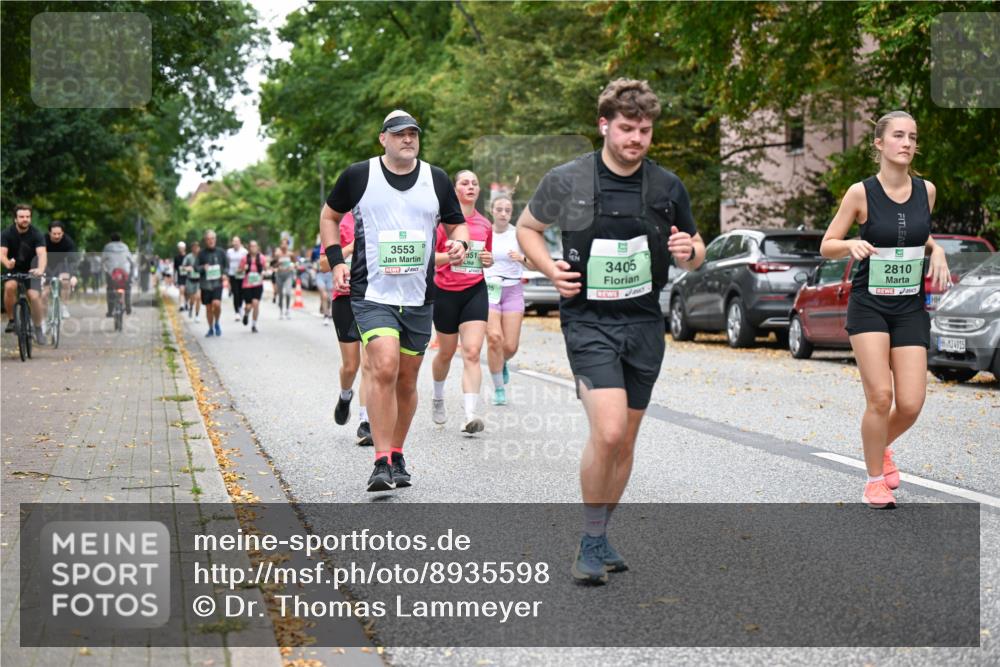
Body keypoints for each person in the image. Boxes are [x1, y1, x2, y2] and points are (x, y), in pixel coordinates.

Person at [517, 79, 705, 584]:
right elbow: (527, 228)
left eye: (644, 130)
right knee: (610, 430)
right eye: (626, 128)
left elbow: (696, 247)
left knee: (625, 442)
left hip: (644, 323)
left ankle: (598, 537)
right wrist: (550, 270)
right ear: (604, 125)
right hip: (589, 322)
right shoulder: (567, 179)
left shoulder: (667, 187)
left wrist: (690, 252)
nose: (636, 138)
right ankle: (591, 537)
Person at [319, 109, 469, 492]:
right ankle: (381, 461)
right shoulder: (359, 175)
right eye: (399, 133)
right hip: (372, 293)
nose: (407, 139)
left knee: (406, 380)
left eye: (413, 133)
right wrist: (337, 261)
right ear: (383, 138)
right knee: (384, 366)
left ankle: (398, 454)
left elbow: (458, 224)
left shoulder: (436, 179)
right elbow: (329, 216)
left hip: (419, 295)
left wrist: (461, 243)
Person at [820, 110, 950, 510]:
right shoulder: (860, 193)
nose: (907, 143)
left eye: (912, 136)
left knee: (910, 404)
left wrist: (937, 249)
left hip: (909, 306)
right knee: (880, 396)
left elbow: (917, 232)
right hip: (870, 305)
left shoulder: (926, 191)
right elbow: (827, 244)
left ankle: (881, 445)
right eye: (898, 135)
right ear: (879, 143)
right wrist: (850, 245)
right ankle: (874, 481)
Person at [430, 170, 495, 433]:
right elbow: (428, 259)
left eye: (475, 183)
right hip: (445, 292)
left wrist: (488, 259)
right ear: (455, 189)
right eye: (465, 183)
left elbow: (486, 257)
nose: (470, 187)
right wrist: (451, 257)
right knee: (446, 353)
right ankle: (437, 397)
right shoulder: (443, 224)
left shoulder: (485, 225)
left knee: (472, 352)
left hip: (474, 291)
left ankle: (470, 415)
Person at [324, 211, 372, 445]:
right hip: (345, 300)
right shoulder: (339, 222)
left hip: (373, 299)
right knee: (351, 365)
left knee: (370, 364)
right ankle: (345, 396)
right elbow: (323, 264)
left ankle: (366, 422)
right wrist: (350, 248)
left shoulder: (380, 216)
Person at [484, 194, 534, 406]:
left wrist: (521, 258)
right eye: (499, 209)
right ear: (492, 211)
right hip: (489, 289)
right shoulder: (485, 233)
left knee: (510, 346)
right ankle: (498, 389)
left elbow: (534, 263)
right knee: (494, 338)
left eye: (507, 210)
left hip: (513, 290)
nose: (503, 214)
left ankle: (502, 361)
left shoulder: (519, 235)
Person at [1, 204, 47, 342]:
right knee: (10, 287)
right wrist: (7, 263)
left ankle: (38, 328)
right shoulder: (6, 233)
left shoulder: (36, 234)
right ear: (15, 219)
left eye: (27, 216)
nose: (25, 219)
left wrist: (40, 269)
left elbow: (42, 254)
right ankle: (12, 320)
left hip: (32, 269)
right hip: (13, 268)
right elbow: (2, 253)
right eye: (21, 217)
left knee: (34, 297)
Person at [44, 221, 79, 320]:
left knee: (66, 282)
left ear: (63, 233)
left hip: (61, 264)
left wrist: (73, 275)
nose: (57, 236)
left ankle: (64, 307)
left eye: (59, 234)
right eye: (54, 234)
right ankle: (44, 309)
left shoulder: (68, 242)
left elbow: (72, 260)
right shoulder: (43, 240)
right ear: (49, 233)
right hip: (46, 264)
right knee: (45, 289)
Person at [197, 230, 228, 337]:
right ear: (205, 240)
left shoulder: (221, 252)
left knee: (217, 304)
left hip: (217, 283)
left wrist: (224, 274)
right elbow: (196, 267)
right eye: (208, 239)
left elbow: (226, 266)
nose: (211, 241)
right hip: (205, 285)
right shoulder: (201, 253)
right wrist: (203, 268)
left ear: (215, 239)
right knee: (209, 308)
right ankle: (210, 328)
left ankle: (217, 322)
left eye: (213, 238)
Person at [101, 232, 133, 318]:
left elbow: (102, 260)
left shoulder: (107, 247)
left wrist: (105, 269)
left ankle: (110, 311)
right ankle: (128, 307)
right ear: (120, 239)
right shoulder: (125, 246)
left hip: (112, 273)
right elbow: (131, 260)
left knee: (110, 289)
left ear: (110, 239)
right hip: (124, 272)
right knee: (127, 288)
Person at [239, 240, 267, 333]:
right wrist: (243, 269)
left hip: (258, 284)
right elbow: (239, 270)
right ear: (249, 248)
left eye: (255, 246)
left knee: (256, 303)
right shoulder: (244, 259)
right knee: (248, 306)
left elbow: (266, 268)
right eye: (251, 246)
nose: (253, 248)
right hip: (247, 285)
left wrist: (264, 272)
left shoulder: (262, 258)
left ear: (257, 247)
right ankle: (246, 314)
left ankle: (254, 325)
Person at [272, 238, 295, 319]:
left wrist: (293, 266)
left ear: (287, 245)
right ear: (280, 245)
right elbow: (273, 265)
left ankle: (287, 310)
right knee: (280, 294)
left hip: (288, 275)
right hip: (279, 275)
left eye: (285, 244)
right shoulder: (277, 254)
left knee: (288, 292)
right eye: (282, 244)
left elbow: (295, 263)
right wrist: (278, 264)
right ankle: (281, 311)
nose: (283, 246)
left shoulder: (290, 254)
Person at [313, 234, 334, 325]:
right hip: (320, 275)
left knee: (330, 296)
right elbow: (313, 262)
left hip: (330, 275)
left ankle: (326, 309)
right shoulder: (315, 250)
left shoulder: (333, 247)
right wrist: (315, 267)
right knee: (324, 295)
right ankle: (326, 315)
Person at [227, 235, 248, 322]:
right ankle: (237, 312)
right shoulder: (229, 251)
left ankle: (240, 306)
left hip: (242, 274)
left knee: (242, 292)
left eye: (237, 241)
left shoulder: (244, 251)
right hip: (232, 274)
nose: (235, 243)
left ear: (240, 242)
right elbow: (227, 262)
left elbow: (247, 262)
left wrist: (244, 268)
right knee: (235, 293)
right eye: (234, 241)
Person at [182, 241, 202, 321]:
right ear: (192, 248)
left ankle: (197, 315)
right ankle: (190, 307)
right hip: (190, 280)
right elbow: (183, 267)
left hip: (199, 280)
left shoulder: (201, 256)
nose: (196, 249)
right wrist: (187, 268)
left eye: (197, 247)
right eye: (194, 247)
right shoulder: (188, 257)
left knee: (198, 298)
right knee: (192, 298)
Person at [174, 241, 188, 310]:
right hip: (180, 276)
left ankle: (186, 303)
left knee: (186, 292)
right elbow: (175, 268)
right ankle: (181, 305)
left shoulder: (188, 257)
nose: (180, 249)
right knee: (181, 290)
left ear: (184, 248)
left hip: (188, 276)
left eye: (182, 248)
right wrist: (174, 278)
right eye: (179, 248)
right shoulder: (176, 257)